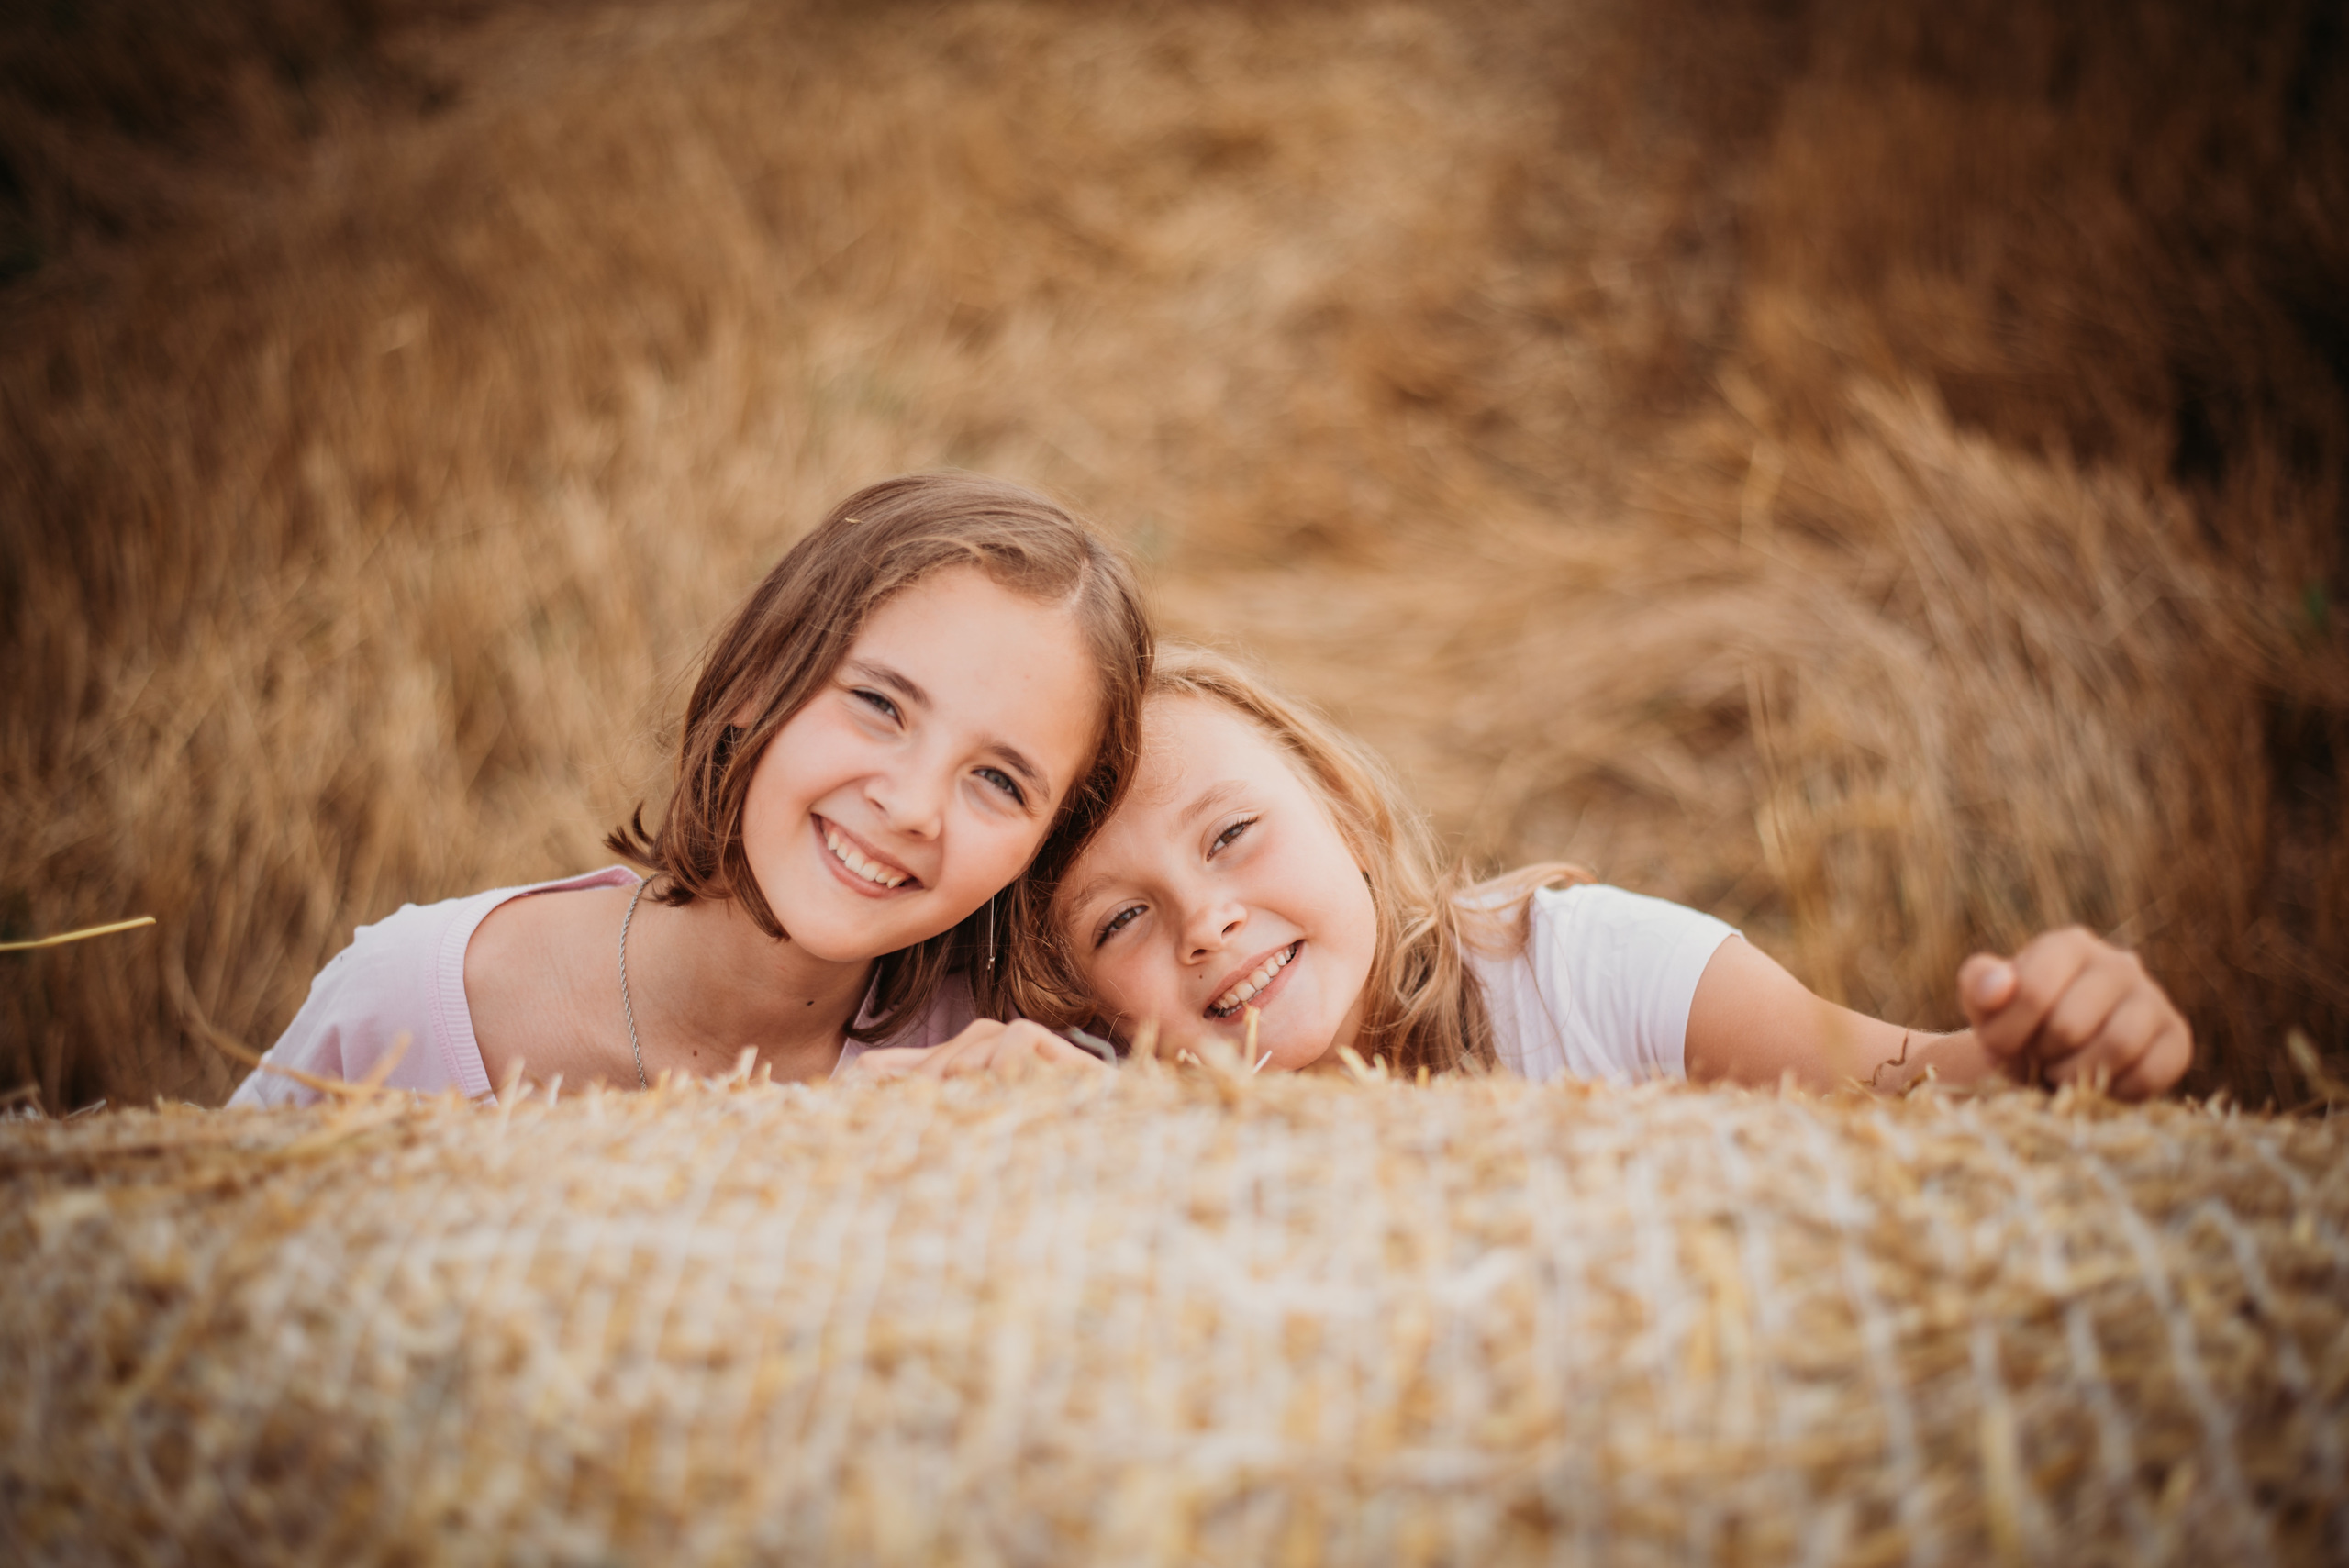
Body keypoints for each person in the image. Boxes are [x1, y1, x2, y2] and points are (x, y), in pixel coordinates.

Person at [229, 473, 1140, 1107]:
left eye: (996, 778)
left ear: (1044, 839)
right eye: (877, 703)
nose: (910, 804)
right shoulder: (412, 1002)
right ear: (757, 679)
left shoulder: (993, 1059)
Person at [1016, 644, 2193, 1096]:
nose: (1206, 922)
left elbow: (1913, 1089)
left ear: (1342, 803)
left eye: (1231, 835)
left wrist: (2045, 1048)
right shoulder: (1111, 1100)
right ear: (1082, 994)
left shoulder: (1576, 967)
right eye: (1121, 918)